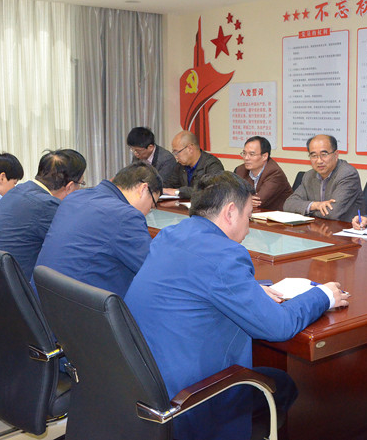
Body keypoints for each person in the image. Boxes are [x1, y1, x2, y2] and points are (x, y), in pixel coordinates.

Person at [125, 172, 349, 440]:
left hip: (144, 385)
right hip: (192, 398)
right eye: (248, 216)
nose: (249, 227)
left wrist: (250, 289)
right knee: (283, 384)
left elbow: (195, 283)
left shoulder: (171, 235)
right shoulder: (225, 254)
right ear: (230, 212)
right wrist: (323, 295)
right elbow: (279, 326)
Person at [35, 162, 161, 297]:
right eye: (152, 204)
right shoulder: (125, 216)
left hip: (43, 298)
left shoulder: (75, 197)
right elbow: (154, 270)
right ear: (143, 189)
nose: (148, 211)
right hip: (79, 304)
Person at [0, 149, 86, 283]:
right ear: (70, 186)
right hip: (6, 287)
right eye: (81, 184)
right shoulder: (47, 205)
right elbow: (75, 250)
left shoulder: (19, 189)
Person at [283, 134, 364, 222]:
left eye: (324, 154)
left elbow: (332, 213)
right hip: (318, 227)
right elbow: (288, 205)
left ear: (336, 155)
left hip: (345, 228)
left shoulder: (347, 174)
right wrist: (315, 205)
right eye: (314, 155)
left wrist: (306, 210)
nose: (319, 161)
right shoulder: (309, 176)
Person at [234, 135, 292, 210]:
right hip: (254, 214)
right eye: (244, 153)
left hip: (275, 215)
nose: (246, 158)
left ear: (264, 156)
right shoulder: (240, 170)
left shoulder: (275, 173)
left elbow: (259, 201)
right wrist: (245, 199)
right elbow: (230, 195)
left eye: (251, 154)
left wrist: (239, 198)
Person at [163, 130, 224, 199]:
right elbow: (170, 184)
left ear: (190, 148)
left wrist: (178, 192)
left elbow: (209, 191)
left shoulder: (212, 165)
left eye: (177, 152)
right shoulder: (180, 166)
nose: (176, 157)